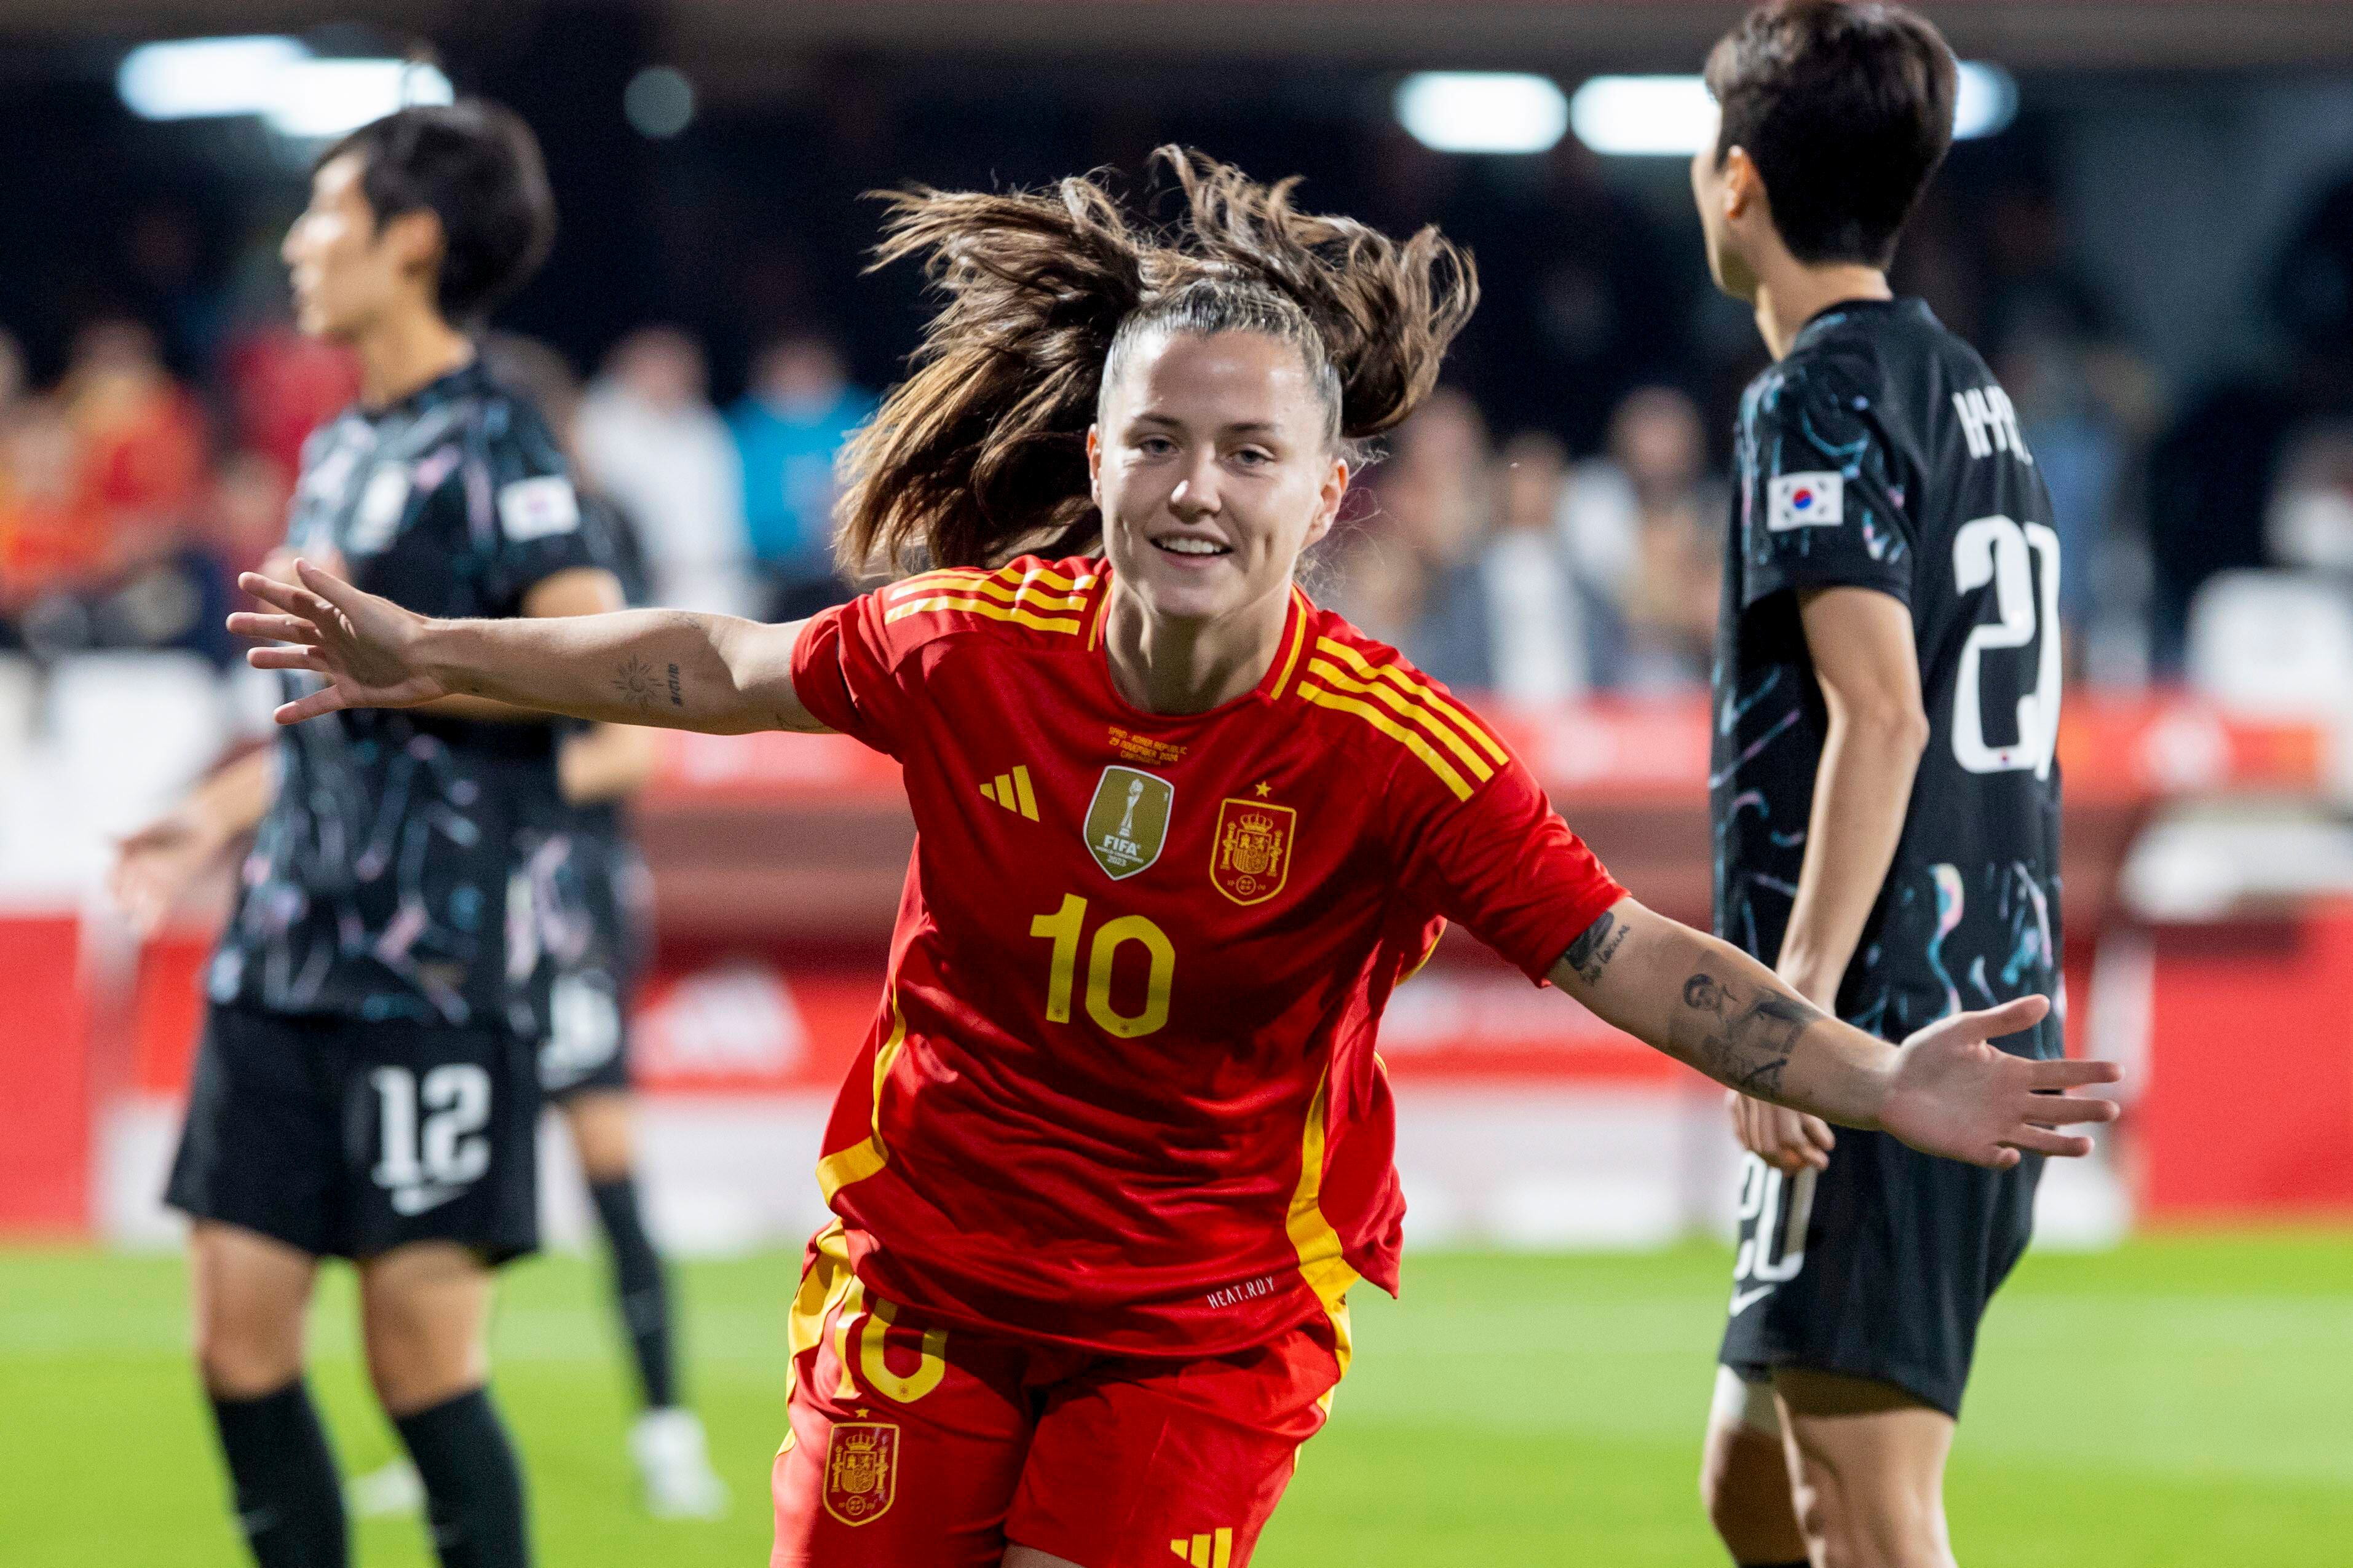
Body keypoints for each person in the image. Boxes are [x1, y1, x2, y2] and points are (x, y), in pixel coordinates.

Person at [227, 148, 2117, 1568]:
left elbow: (1622, 951)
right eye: (1157, 443)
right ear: (1105, 457)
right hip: (921, 1277)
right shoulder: (972, 644)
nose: (1195, 486)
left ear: (1325, 488)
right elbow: (706, 665)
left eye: (1244, 451)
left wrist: (1873, 1074)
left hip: (1193, 1327)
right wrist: (424, 647)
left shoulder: (1395, 750)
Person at [112, 101, 627, 1568]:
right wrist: (204, 822)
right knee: (235, 1338)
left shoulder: (501, 445)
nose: (295, 240)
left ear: (409, 241)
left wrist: (435, 671)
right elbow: (335, 727)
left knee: (420, 1365)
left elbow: (614, 717)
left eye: (325, 210)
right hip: (281, 952)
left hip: (437, 979)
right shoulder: (339, 447)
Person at [1685, 8, 2073, 1568]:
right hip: (1978, 992)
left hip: (1888, 1034)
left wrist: (1786, 1020)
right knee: (1749, 1483)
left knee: (1863, 1516)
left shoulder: (1814, 398)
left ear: (1734, 184)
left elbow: (1882, 713)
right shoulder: (1968, 392)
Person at [577, 326, 758, 618]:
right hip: (629, 585)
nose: (669, 377)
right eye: (658, 366)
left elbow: (723, 522)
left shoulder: (706, 428)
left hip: (707, 581)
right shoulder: (599, 424)